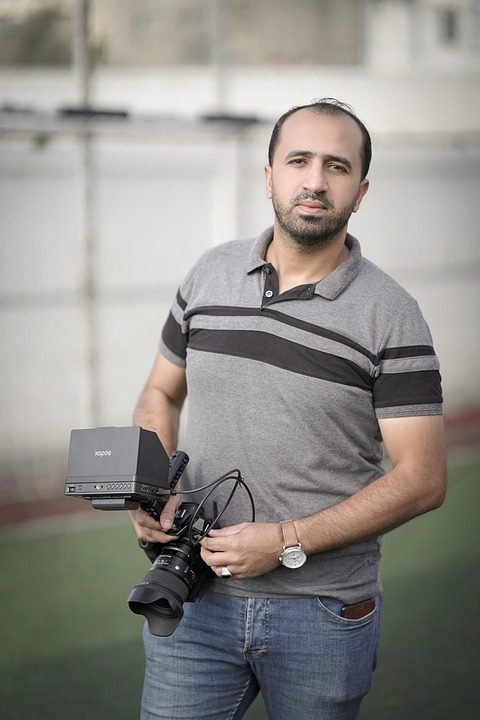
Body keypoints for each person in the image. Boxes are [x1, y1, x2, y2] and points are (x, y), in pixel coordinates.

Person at [129, 98, 447, 720]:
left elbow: (422, 479)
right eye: (299, 160)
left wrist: (285, 541)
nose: (315, 180)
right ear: (269, 175)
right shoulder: (209, 274)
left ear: (360, 191)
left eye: (337, 166)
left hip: (322, 611)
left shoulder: (392, 314)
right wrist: (151, 491)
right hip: (192, 595)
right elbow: (160, 393)